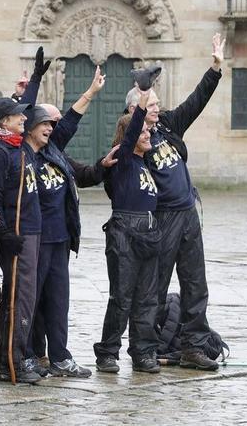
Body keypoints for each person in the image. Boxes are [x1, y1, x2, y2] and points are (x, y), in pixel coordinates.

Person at [124, 33, 224, 371]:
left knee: (196, 283)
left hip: (187, 214)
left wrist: (215, 68)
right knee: (155, 285)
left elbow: (196, 102)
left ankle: (193, 346)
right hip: (162, 218)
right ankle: (146, 348)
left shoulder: (167, 126)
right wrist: (141, 95)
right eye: (150, 105)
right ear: (136, 108)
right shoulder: (133, 139)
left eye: (155, 105)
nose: (156, 108)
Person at [18, 67, 105, 379]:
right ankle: (27, 356)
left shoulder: (53, 148)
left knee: (57, 302)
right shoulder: (20, 153)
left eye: (51, 125)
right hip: (33, 239)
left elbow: (70, 120)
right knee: (30, 302)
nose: (51, 128)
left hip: (60, 239)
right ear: (28, 127)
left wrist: (92, 91)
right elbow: (22, 113)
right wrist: (35, 83)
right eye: (44, 123)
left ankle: (60, 357)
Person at [93, 87, 161, 373]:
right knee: (121, 297)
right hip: (124, 233)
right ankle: (108, 352)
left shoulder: (144, 164)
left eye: (148, 132)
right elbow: (134, 129)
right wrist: (143, 97)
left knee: (146, 299)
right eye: (143, 133)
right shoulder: (125, 162)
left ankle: (143, 352)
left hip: (148, 232)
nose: (148, 135)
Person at [0, 95, 43, 384]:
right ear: (4, 121)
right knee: (16, 300)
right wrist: (4, 233)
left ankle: (13, 357)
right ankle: (10, 363)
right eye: (18, 116)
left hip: (31, 232)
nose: (24, 119)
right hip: (16, 236)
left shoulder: (19, 147)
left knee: (25, 300)